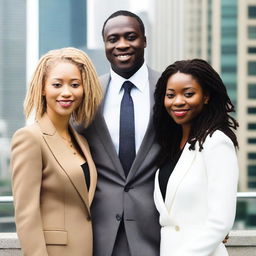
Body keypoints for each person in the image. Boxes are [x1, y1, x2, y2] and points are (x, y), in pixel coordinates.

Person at [76, 10, 161, 256]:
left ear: (144, 40)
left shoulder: (168, 90)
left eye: (131, 37)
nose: (122, 45)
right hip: (98, 232)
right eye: (113, 39)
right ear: (104, 44)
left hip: (156, 231)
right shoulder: (85, 95)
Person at [11, 47, 102, 256]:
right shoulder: (30, 138)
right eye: (57, 84)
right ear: (43, 88)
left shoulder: (81, 141)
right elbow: (26, 214)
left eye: (75, 84)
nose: (67, 92)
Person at [153, 59, 239, 256]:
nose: (178, 101)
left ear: (206, 96)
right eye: (170, 95)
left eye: (189, 94)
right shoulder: (171, 147)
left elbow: (220, 222)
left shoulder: (216, 142)